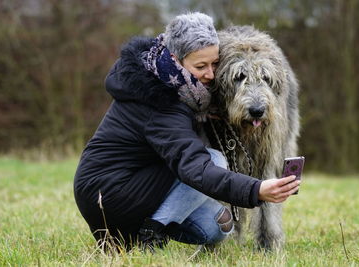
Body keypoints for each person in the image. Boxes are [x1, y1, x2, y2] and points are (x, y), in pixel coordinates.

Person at [73, 12, 300, 252]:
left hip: (130, 184)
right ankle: (151, 233)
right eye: (201, 66)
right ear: (176, 60)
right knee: (213, 160)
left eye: (215, 65)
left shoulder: (184, 89)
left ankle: (142, 230)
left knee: (217, 228)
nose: (211, 75)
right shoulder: (161, 100)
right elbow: (196, 169)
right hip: (108, 194)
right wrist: (256, 189)